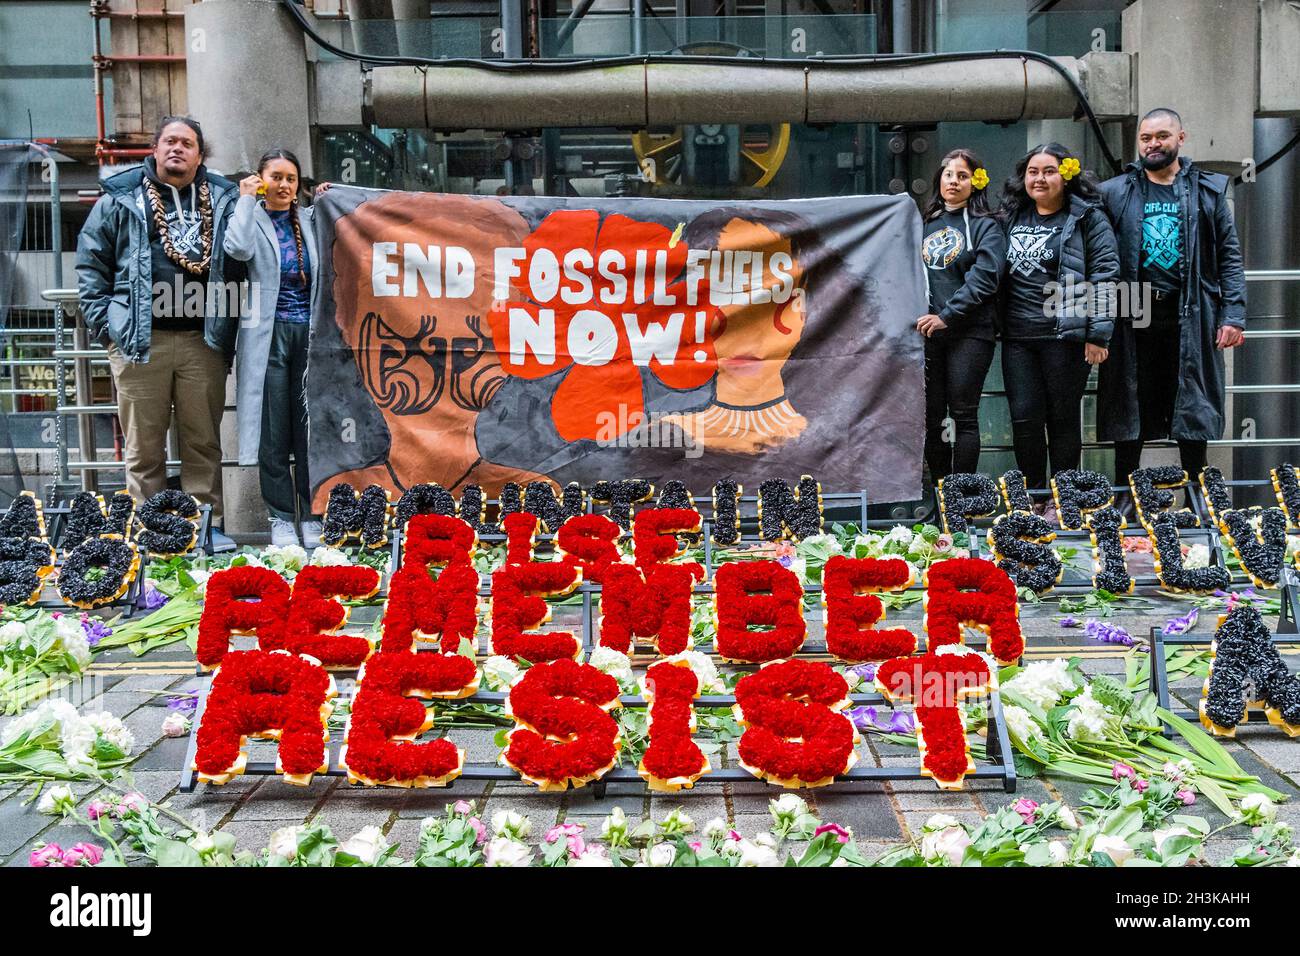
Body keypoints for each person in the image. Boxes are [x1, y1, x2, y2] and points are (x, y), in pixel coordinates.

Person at [75, 115, 240, 552]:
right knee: (143, 447)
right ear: (155, 148)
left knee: (202, 441)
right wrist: (107, 326)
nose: (177, 149)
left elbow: (242, 258)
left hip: (201, 340)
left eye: (187, 143)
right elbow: (91, 265)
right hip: (137, 341)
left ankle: (205, 526)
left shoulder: (224, 198)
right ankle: (147, 533)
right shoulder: (121, 197)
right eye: (169, 141)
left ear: (200, 154)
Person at [1097, 108, 1247, 492]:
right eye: (1146, 138)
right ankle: (1125, 497)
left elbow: (1229, 255)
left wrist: (1233, 315)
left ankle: (1198, 496)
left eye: (1162, 136)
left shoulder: (1207, 189)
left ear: (1181, 138)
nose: (1153, 144)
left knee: (1190, 400)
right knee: (1131, 401)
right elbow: (1097, 257)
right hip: (1134, 306)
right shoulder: (1115, 191)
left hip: (1191, 307)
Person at [996, 142, 1119, 516]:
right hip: (1018, 337)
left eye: (1048, 171)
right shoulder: (1011, 216)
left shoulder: (1086, 218)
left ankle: (1064, 500)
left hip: (1064, 337)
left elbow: (1105, 274)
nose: (1039, 178)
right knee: (1024, 417)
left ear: (1065, 176)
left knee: (1062, 419)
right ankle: (1031, 498)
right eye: (1033, 171)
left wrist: (1098, 334)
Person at [224, 149, 327, 548]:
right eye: (276, 177)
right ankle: (282, 517)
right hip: (266, 337)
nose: (284, 185)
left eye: (291, 179)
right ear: (262, 179)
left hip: (310, 337)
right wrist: (246, 200)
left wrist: (330, 198)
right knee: (273, 430)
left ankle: (312, 512)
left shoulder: (311, 220)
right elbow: (237, 249)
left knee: (307, 430)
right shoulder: (250, 215)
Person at [916, 148, 1004, 481]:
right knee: (933, 417)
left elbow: (986, 277)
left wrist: (947, 315)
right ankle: (942, 492)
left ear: (975, 182)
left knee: (963, 415)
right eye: (949, 174)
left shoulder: (986, 226)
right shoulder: (925, 223)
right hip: (929, 335)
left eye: (963, 175)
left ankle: (962, 496)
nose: (954, 181)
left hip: (971, 333)